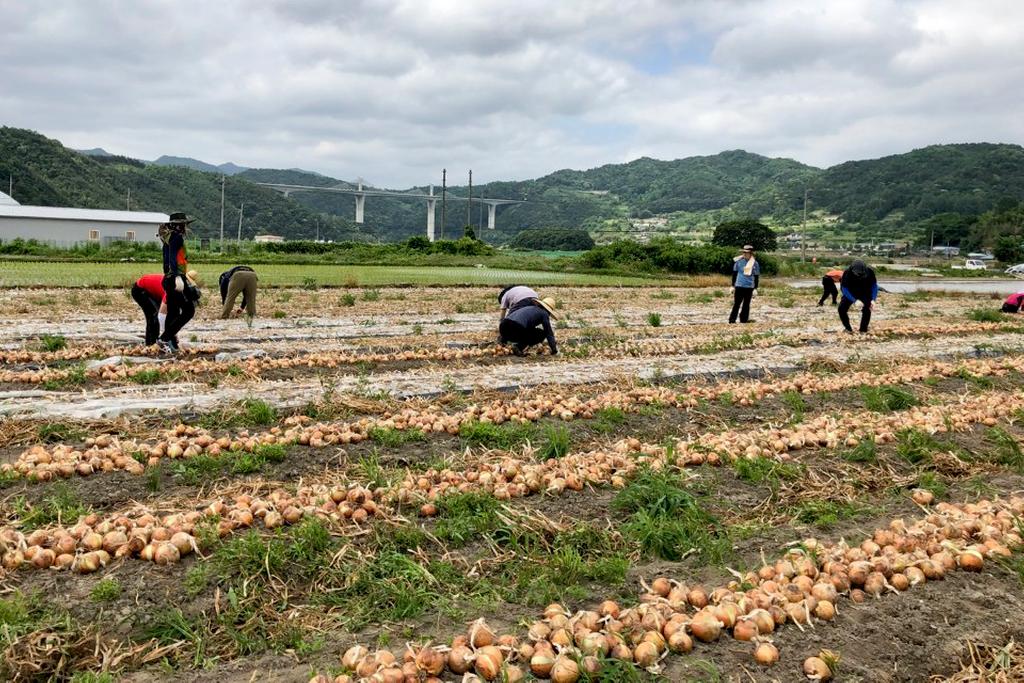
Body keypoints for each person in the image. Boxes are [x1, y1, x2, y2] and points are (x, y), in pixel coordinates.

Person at [158, 212, 199, 353]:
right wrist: (176, 276)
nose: (184, 227)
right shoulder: (177, 238)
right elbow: (172, 259)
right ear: (177, 225)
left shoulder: (167, 238)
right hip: (176, 278)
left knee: (173, 312)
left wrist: (170, 276)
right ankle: (164, 339)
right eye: (183, 225)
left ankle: (171, 344)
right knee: (189, 310)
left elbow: (165, 261)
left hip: (168, 279)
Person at [839, 260, 878, 333]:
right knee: (841, 309)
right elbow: (844, 288)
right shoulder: (847, 273)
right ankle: (848, 328)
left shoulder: (870, 272)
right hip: (851, 292)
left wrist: (873, 299)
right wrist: (854, 300)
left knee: (867, 309)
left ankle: (863, 330)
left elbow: (874, 286)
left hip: (865, 293)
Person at [131, 273, 168, 346]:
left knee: (155, 316)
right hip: (140, 289)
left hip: (153, 291)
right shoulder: (170, 292)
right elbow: (161, 314)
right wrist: (168, 333)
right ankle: (150, 344)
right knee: (153, 316)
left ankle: (154, 342)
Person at [729, 245, 760, 324]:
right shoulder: (738, 262)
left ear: (751, 254)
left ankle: (744, 320)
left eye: (747, 253)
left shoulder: (755, 263)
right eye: (744, 252)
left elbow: (756, 276)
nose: (745, 254)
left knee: (746, 304)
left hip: (749, 286)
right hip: (739, 285)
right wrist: (732, 285)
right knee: (737, 303)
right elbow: (734, 274)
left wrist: (755, 288)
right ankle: (732, 320)